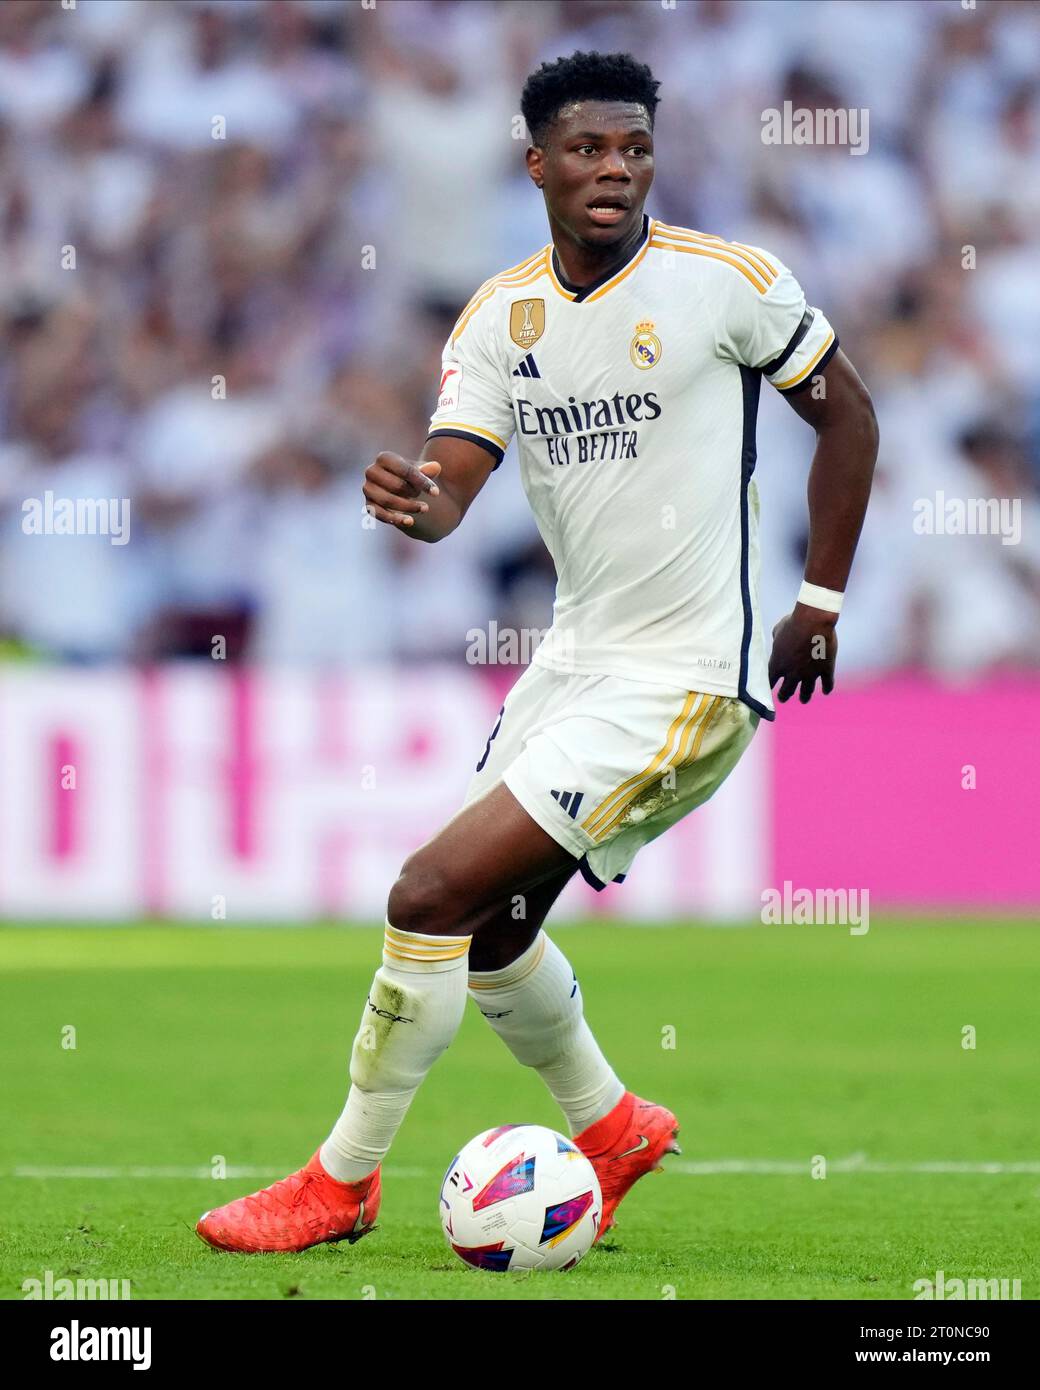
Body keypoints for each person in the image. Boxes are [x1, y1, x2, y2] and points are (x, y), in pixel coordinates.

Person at [196, 49, 878, 1256]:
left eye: (632, 149)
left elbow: (847, 413)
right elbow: (454, 484)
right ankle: (608, 1126)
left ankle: (339, 1180)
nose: (613, 170)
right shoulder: (499, 317)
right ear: (536, 165)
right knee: (491, 928)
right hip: (571, 665)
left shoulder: (724, 283)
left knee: (425, 893)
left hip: (680, 677)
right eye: (586, 151)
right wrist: (418, 501)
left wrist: (818, 598)